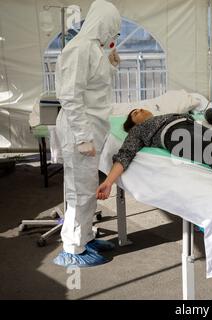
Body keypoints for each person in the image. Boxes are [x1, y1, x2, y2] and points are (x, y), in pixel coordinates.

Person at [53, 0, 122, 267]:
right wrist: (82, 137)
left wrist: (112, 63)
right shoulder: (80, 48)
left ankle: (86, 236)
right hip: (79, 130)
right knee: (79, 192)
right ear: (102, 25)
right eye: (112, 31)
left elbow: (95, 86)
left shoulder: (93, 49)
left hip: (90, 128)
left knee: (86, 189)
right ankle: (73, 248)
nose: (113, 37)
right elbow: (70, 96)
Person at [96, 109, 212, 200]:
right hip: (172, 137)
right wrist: (108, 182)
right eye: (135, 112)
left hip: (193, 127)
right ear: (133, 123)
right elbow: (125, 155)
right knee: (211, 152)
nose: (141, 110)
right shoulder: (137, 131)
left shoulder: (170, 114)